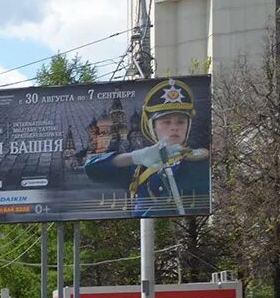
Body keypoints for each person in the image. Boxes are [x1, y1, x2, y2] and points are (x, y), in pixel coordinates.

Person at [83, 77, 210, 218]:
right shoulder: (139, 167)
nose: (174, 128)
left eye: (180, 122)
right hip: (143, 236)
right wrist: (135, 157)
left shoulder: (202, 163)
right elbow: (91, 169)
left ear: (188, 126)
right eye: (166, 122)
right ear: (152, 127)